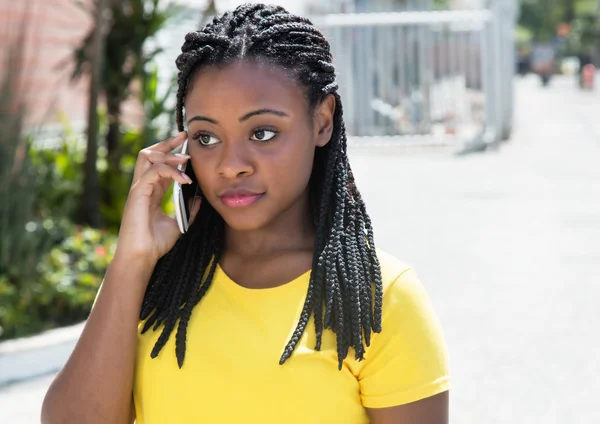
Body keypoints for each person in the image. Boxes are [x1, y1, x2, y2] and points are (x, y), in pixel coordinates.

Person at [42, 4, 450, 423]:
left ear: (322, 121)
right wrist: (131, 261)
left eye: (263, 132)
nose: (230, 164)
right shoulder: (157, 283)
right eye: (206, 136)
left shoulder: (378, 298)